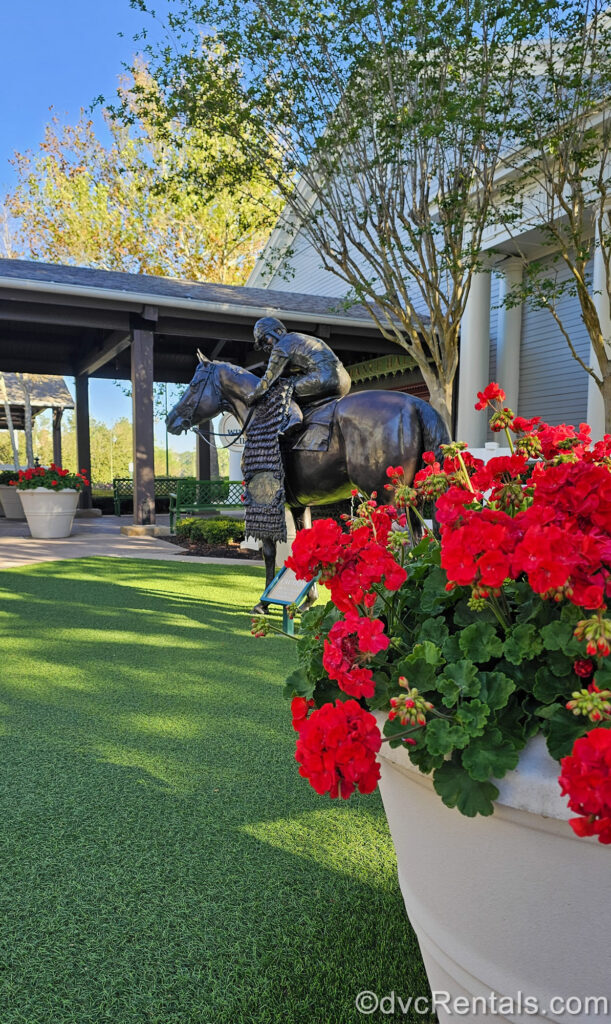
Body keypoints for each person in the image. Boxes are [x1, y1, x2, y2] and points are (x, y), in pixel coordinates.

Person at [246, 317, 351, 423]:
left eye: (265, 340)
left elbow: (268, 379)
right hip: (345, 380)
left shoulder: (281, 346)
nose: (266, 346)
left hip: (324, 378)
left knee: (282, 388)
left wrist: (253, 396)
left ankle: (293, 420)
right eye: (263, 344)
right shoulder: (298, 337)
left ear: (277, 332)